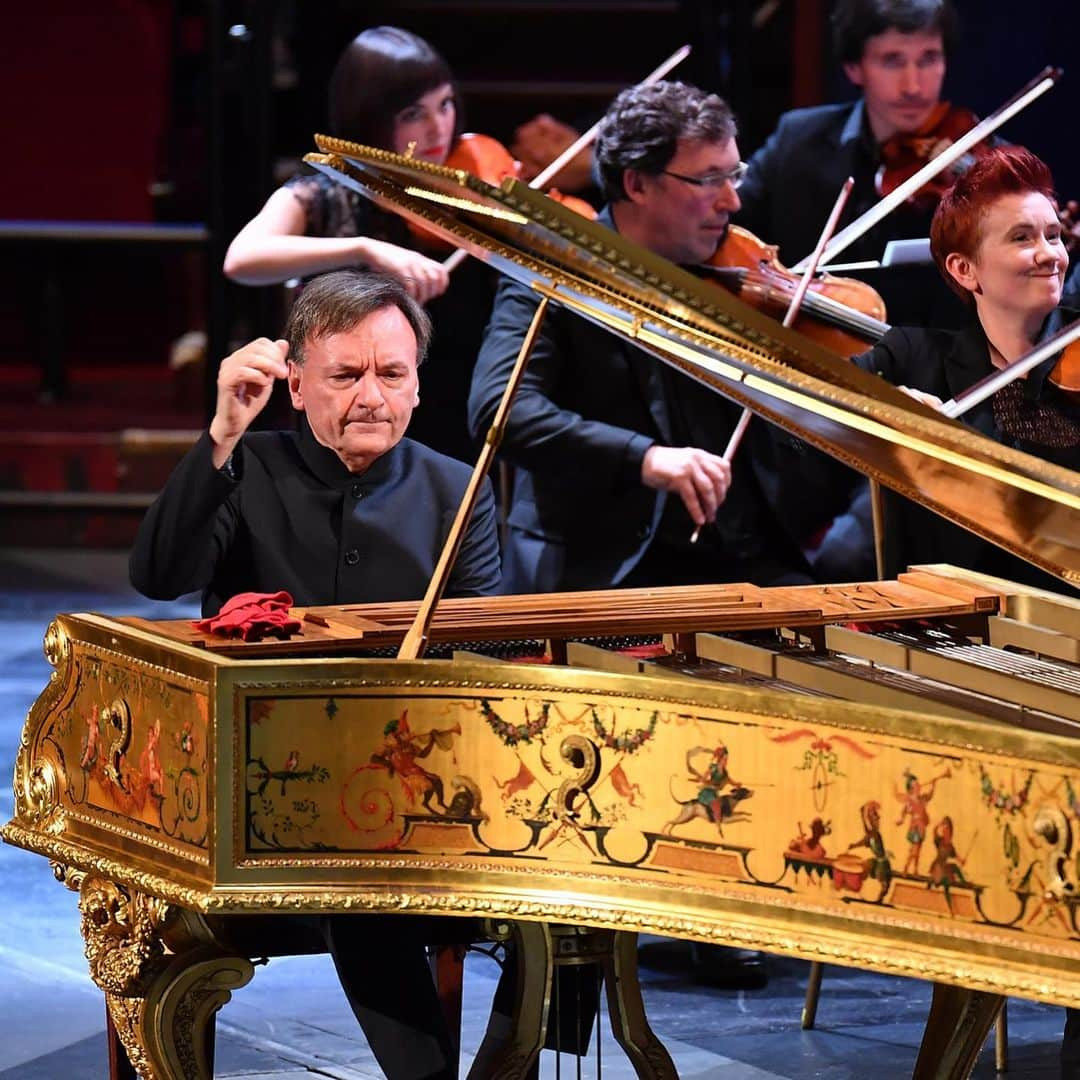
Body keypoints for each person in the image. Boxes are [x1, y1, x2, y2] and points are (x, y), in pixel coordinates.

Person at [131, 270, 499, 1079]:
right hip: (256, 784)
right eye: (345, 375)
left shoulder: (454, 487)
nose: (372, 396)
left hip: (416, 779)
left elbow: (484, 649)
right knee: (356, 871)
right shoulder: (247, 467)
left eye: (392, 374)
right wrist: (222, 433)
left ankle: (510, 1057)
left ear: (417, 383)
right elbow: (157, 575)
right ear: (294, 385)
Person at [469, 79, 822, 597]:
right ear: (636, 185)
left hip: (748, 563)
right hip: (609, 574)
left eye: (735, 175)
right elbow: (499, 409)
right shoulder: (554, 267)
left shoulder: (735, 275)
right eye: (708, 180)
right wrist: (645, 458)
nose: (733, 201)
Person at [223, 26, 490, 463]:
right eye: (413, 114)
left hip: (456, 407)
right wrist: (363, 248)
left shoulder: (468, 189)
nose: (438, 127)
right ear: (370, 116)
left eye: (445, 105)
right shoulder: (327, 193)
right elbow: (242, 258)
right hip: (352, 418)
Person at [843, 145, 1078, 591]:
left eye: (1054, 235)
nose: (1051, 254)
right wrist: (881, 411)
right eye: (1022, 238)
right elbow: (803, 418)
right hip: (946, 619)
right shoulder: (912, 357)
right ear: (965, 269)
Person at [735, 0, 966, 331]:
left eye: (929, 60)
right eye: (892, 61)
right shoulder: (797, 140)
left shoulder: (981, 165)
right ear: (853, 68)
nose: (914, 86)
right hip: (803, 348)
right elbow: (727, 219)